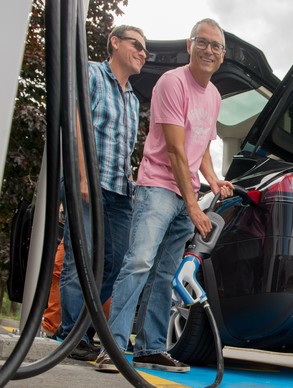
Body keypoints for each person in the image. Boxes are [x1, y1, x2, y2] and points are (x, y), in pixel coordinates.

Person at [95, 18, 233, 373]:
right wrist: (193, 205)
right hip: (158, 186)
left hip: (186, 193)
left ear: (222, 56)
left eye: (215, 46)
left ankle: (151, 347)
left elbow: (198, 143)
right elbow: (174, 150)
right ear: (190, 46)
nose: (208, 50)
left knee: (166, 273)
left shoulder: (214, 96)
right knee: (139, 261)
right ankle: (111, 345)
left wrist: (214, 179)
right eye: (201, 42)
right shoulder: (172, 83)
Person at [57, 25, 148, 361]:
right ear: (115, 42)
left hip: (119, 191)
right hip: (88, 182)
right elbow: (77, 123)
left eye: (145, 50)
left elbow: (125, 150)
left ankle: (85, 325)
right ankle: (70, 334)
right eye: (137, 45)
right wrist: (81, 175)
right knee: (80, 257)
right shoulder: (92, 74)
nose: (142, 53)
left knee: (118, 262)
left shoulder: (134, 101)